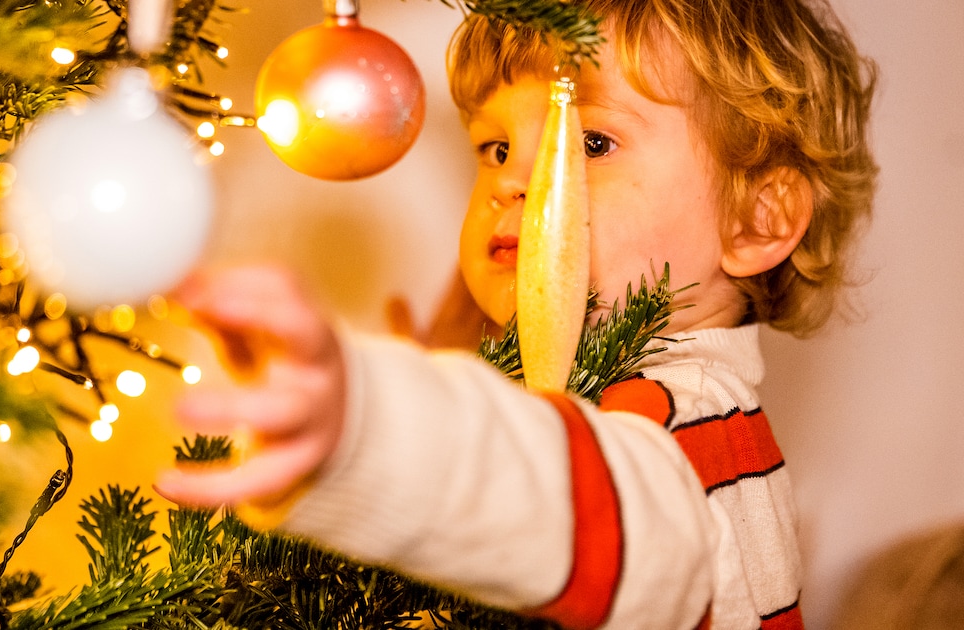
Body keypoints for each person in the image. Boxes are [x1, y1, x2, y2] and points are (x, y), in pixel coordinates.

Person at [155, 0, 878, 627]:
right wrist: (452, 373)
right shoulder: (583, 391)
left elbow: (562, 499)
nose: (515, 182)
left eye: (590, 143)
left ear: (757, 218)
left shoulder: (693, 426)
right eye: (495, 147)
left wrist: (372, 422)